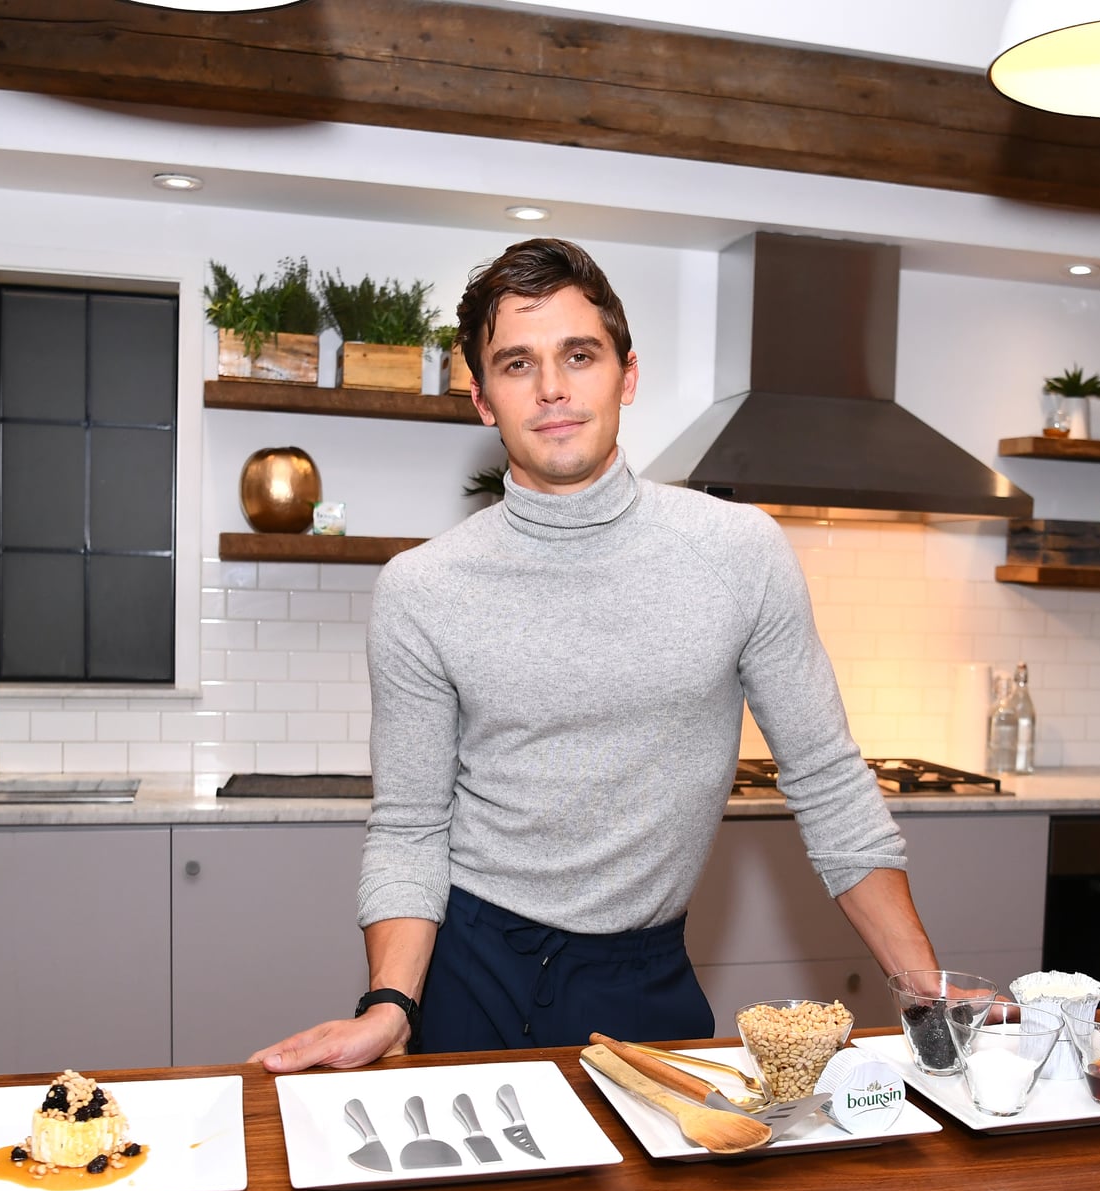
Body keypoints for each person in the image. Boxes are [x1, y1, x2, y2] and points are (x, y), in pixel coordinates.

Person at [252, 238, 940, 1072]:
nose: (551, 388)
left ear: (627, 375)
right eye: (516, 364)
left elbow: (829, 784)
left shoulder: (739, 552)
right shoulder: (421, 588)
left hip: (647, 974)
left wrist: (930, 999)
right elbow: (409, 826)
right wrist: (392, 1004)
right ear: (482, 400)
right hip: (474, 974)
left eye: (579, 355)